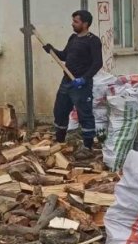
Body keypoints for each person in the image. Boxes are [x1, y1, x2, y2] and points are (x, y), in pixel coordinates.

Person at [42, 10, 103, 159]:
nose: (72, 24)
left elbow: (97, 63)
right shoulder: (73, 38)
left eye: (76, 21)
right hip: (67, 82)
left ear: (85, 24)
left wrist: (84, 79)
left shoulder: (93, 40)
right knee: (60, 111)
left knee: (85, 114)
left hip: (81, 85)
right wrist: (52, 50)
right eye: (73, 21)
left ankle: (87, 146)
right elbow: (64, 55)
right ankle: (60, 141)